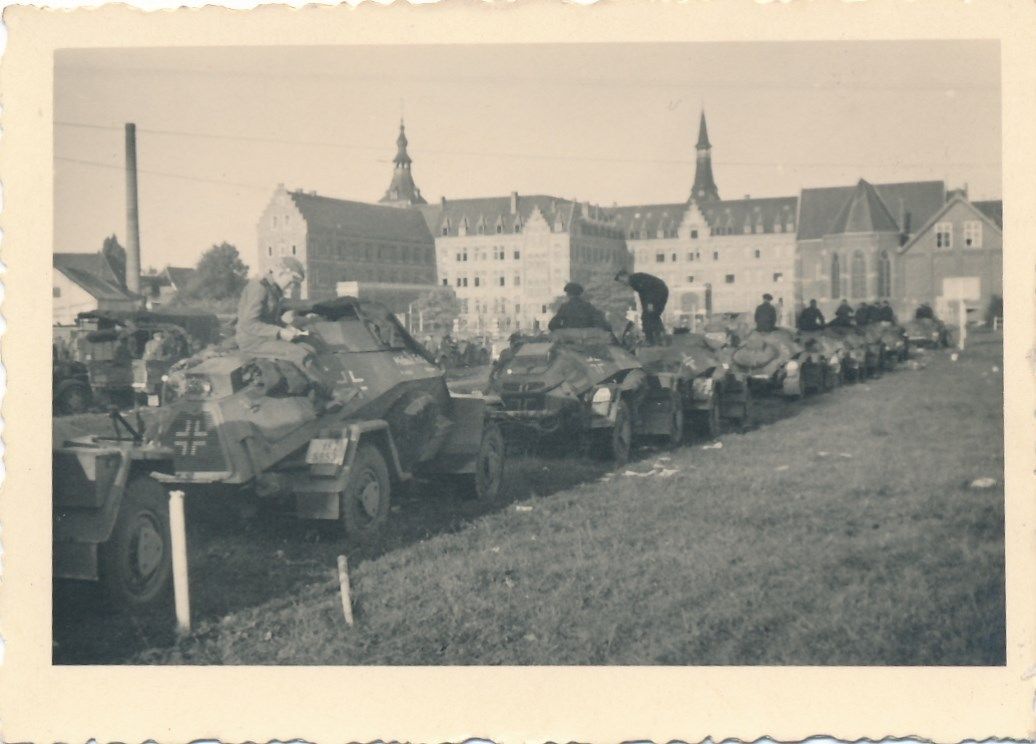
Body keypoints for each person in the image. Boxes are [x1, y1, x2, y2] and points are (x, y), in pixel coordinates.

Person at [236, 256, 316, 372]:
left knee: (309, 346)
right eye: (292, 281)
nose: (292, 286)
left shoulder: (274, 290)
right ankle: (313, 388)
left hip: (265, 338)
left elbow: (269, 319)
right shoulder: (259, 288)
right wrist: (279, 332)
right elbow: (249, 323)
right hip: (253, 342)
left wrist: (288, 328)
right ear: (281, 273)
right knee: (299, 353)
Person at [615, 269, 669, 345]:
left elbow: (648, 290)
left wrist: (650, 303)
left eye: (622, 280)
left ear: (625, 276)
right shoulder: (635, 280)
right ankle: (660, 337)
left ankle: (650, 340)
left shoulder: (635, 279)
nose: (623, 283)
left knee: (646, 317)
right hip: (661, 291)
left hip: (657, 293)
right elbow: (643, 295)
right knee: (653, 315)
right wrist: (645, 307)